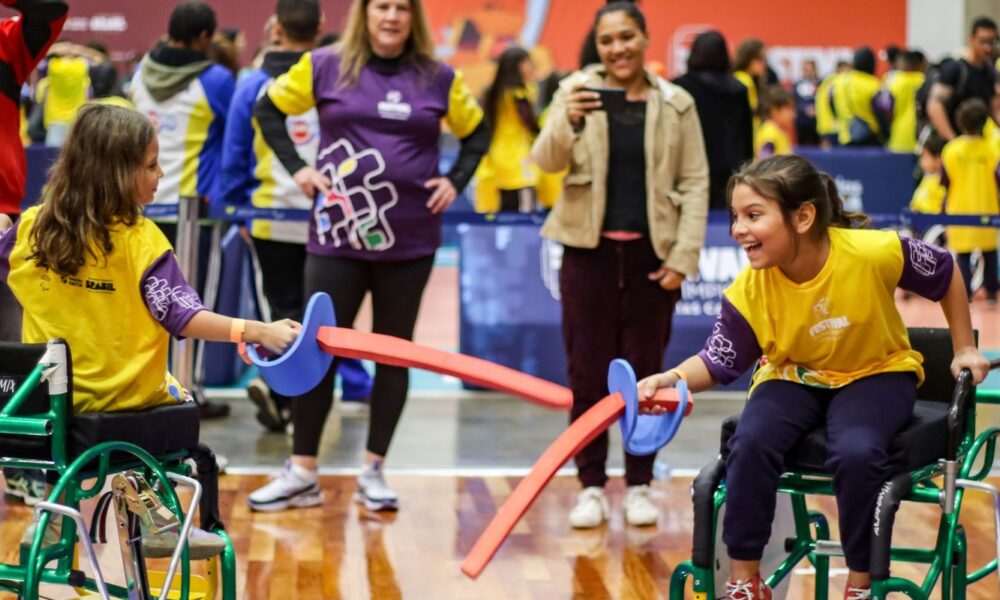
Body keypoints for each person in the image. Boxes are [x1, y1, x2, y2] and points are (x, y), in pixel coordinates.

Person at [638, 154, 990, 600]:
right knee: (748, 443)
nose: (737, 229)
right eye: (734, 217)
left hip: (876, 374)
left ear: (802, 217)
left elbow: (944, 271)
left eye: (753, 215)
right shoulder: (750, 288)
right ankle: (745, 581)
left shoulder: (871, 252)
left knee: (858, 452)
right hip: (792, 378)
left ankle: (861, 583)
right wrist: (671, 377)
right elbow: (719, 359)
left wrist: (964, 348)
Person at [247, 0, 489, 512]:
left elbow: (478, 132)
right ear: (365, 13)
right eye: (382, 5)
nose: (392, 16)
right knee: (315, 349)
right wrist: (297, 169)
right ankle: (302, 471)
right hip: (336, 237)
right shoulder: (324, 65)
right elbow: (268, 109)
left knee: (393, 353)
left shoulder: (439, 77)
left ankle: (375, 470)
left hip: (411, 239)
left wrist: (457, 179)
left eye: (402, 7)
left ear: (413, 18)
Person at [533, 1, 708, 529]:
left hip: (652, 261)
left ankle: (638, 484)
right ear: (598, 45)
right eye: (607, 40)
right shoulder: (573, 91)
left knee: (647, 379)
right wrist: (567, 119)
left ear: (645, 38)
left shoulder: (677, 103)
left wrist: (682, 256)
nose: (618, 49)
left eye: (627, 37)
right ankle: (589, 485)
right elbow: (544, 160)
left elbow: (697, 181)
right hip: (586, 256)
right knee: (586, 376)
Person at [220, 0, 371, 433]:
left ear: (275, 27)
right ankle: (353, 387)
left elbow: (235, 152)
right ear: (323, 25)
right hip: (332, 219)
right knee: (334, 310)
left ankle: (287, 397)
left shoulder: (252, 86)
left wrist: (237, 210)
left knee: (283, 315)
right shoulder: (341, 77)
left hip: (270, 219)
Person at [130, 1, 236, 419]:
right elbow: (237, 136)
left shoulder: (140, 73)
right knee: (194, 304)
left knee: (145, 305)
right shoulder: (216, 79)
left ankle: (153, 385)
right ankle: (192, 391)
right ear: (206, 38)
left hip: (142, 206)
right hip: (195, 209)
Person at [0, 0, 68, 507]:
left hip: (2, 228)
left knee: (11, 358)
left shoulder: (7, 42)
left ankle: (21, 465)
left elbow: (50, 7)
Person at [673, 30, 753, 211]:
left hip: (690, 171)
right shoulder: (739, 89)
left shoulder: (680, 87)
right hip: (731, 174)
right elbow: (746, 136)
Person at [940, 98, 1000, 304]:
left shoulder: (950, 150)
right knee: (989, 251)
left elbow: (944, 181)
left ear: (959, 121)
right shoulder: (991, 149)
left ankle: (966, 293)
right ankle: (992, 292)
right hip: (987, 206)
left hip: (959, 208)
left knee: (963, 254)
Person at [474, 46, 541, 213]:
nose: (532, 67)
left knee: (502, 216)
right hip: (518, 165)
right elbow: (532, 126)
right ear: (517, 66)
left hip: (497, 163)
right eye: (527, 63)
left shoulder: (492, 94)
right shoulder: (519, 95)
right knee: (524, 217)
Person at [927, 17, 1000, 141]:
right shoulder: (955, 69)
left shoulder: (990, 73)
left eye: (992, 42)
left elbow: (995, 110)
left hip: (974, 146)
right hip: (950, 146)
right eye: (983, 42)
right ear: (971, 39)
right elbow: (934, 106)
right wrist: (952, 140)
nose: (987, 48)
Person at [832, 46, 890, 146]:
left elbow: (831, 104)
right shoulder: (873, 84)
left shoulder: (838, 81)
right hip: (869, 139)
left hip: (844, 138)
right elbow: (880, 112)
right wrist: (886, 134)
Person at [885, 50, 926, 153]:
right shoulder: (924, 80)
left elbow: (887, 109)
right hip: (922, 136)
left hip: (899, 136)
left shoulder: (893, 82)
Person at [732, 38, 767, 145]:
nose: (763, 64)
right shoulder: (743, 80)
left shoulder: (747, 79)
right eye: (760, 59)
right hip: (745, 141)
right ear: (748, 58)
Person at [910, 132, 946, 216]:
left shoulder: (943, 183)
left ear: (938, 160)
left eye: (925, 157)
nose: (921, 161)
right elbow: (915, 203)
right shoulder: (926, 178)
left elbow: (938, 210)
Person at [815, 60, 849, 148]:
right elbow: (832, 102)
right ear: (839, 69)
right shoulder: (837, 83)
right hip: (834, 126)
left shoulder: (826, 81)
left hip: (824, 126)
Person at [756, 89, 794, 158]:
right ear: (775, 110)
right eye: (788, 109)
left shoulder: (779, 131)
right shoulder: (769, 133)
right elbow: (765, 164)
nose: (793, 114)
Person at [793, 59, 820, 146]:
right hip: (801, 122)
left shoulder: (821, 84)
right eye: (805, 70)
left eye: (810, 70)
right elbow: (793, 101)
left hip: (817, 123)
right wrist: (803, 109)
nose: (807, 72)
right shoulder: (797, 84)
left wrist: (816, 109)